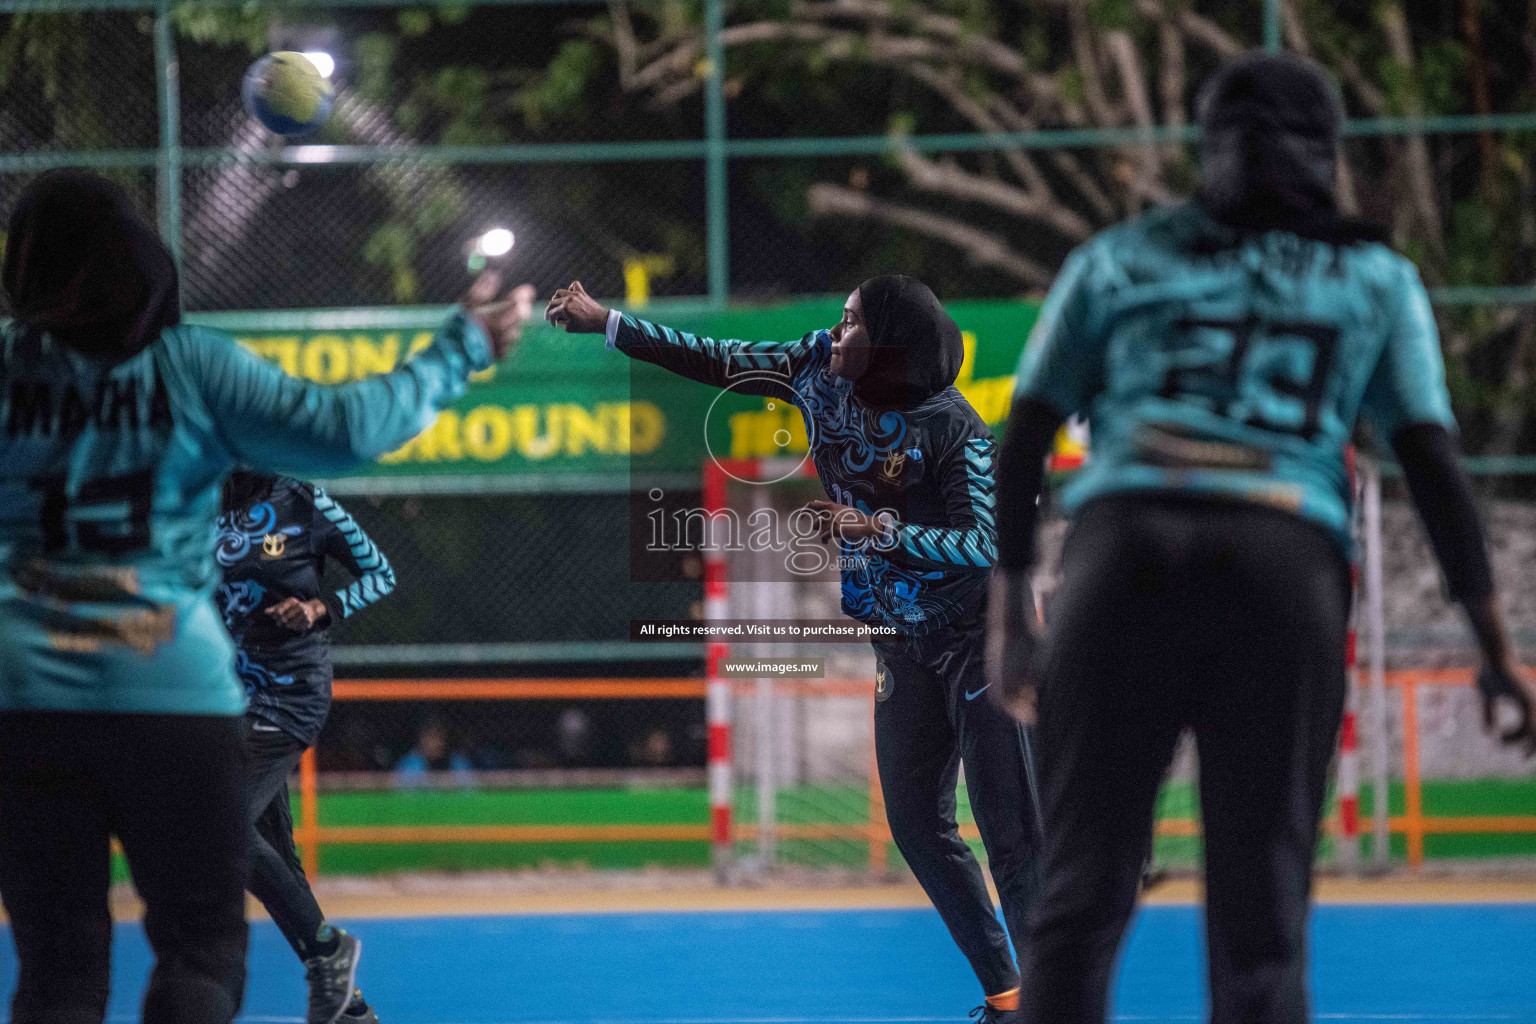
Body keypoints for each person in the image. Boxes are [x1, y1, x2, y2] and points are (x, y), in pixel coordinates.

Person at [986, 52, 1536, 1024]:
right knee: (1262, 921)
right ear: (1328, 153)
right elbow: (1433, 462)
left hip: (1122, 556)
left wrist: (1011, 613)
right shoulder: (1374, 274)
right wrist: (1494, 648)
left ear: (1208, 151)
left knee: (1078, 896)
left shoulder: (1121, 255)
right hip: (1283, 563)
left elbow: (1025, 430)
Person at [0, 169, 528, 1024]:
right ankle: (321, 957)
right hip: (171, 693)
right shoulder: (194, 366)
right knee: (200, 951)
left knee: (56, 969)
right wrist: (460, 347)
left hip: (24, 697)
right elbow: (349, 427)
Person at [546, 276, 1042, 1020]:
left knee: (1011, 836)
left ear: (891, 346)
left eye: (850, 323)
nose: (832, 332)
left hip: (982, 640)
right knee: (915, 823)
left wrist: (877, 532)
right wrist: (607, 322)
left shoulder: (954, 427)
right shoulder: (813, 368)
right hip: (900, 644)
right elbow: (717, 357)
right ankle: (1008, 998)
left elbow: (986, 543)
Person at [216, 468, 401, 1024]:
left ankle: (328, 952)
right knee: (273, 859)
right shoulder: (194, 493)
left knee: (221, 825)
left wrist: (322, 608)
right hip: (224, 699)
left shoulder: (305, 502)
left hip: (288, 699)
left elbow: (380, 573)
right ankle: (349, 1008)